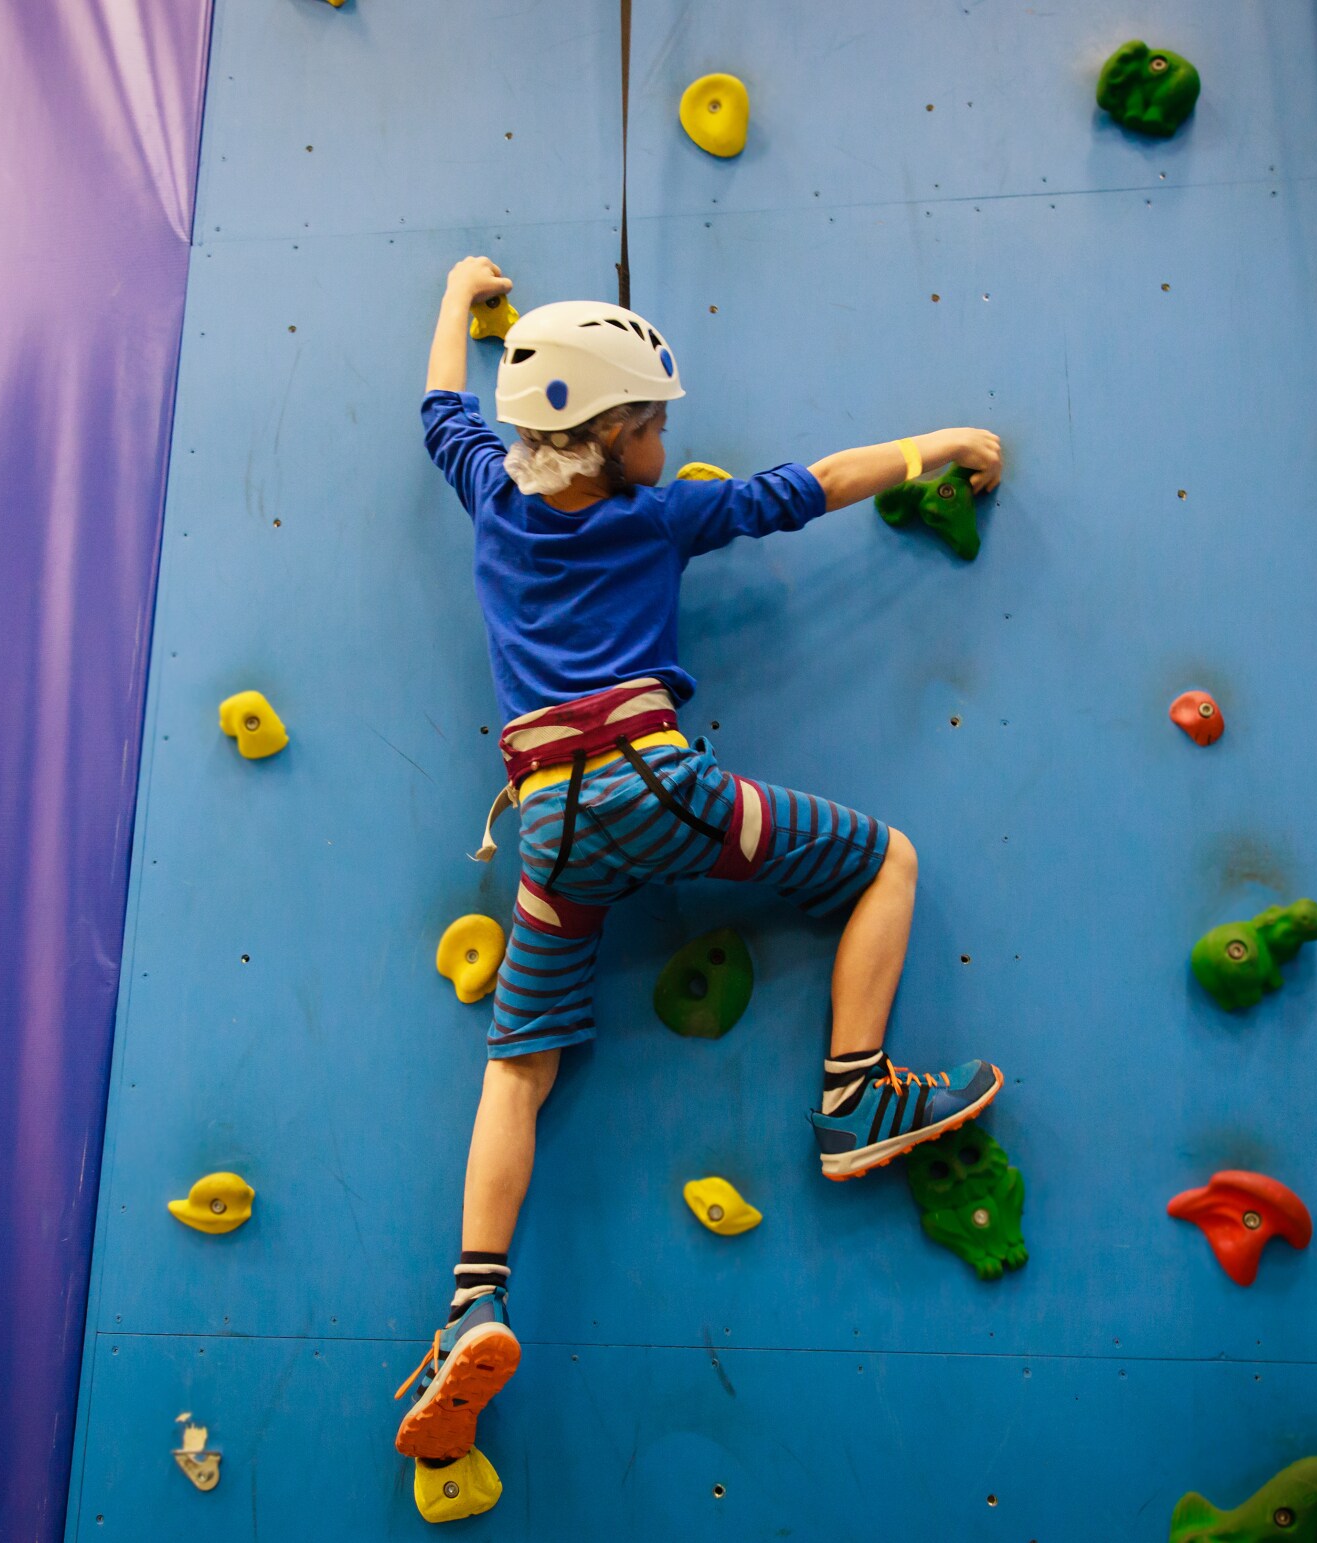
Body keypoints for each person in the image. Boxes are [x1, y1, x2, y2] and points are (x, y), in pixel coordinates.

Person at [393, 255, 1007, 1462]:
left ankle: (471, 1297)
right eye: (653, 419)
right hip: (656, 787)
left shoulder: (491, 493)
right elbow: (818, 484)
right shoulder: (653, 516)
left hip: (550, 830)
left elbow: (438, 410)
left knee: (516, 1070)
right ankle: (853, 1094)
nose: (667, 436)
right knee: (882, 861)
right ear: (610, 430)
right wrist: (943, 441)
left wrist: (455, 298)